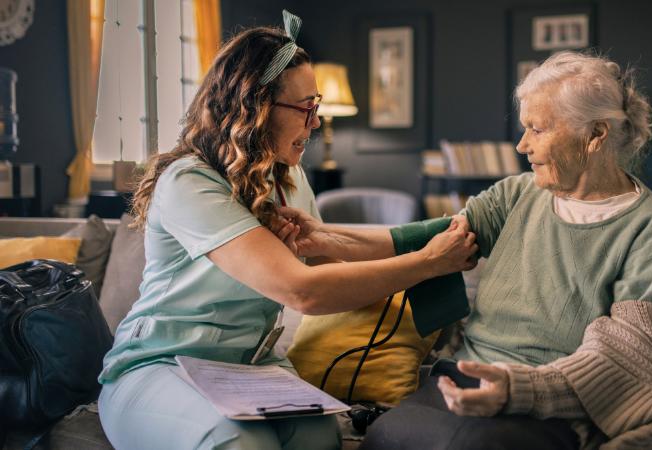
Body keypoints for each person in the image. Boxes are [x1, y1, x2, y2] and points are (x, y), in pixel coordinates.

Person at [96, 11, 477, 450]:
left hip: (252, 369)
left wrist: (428, 246)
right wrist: (427, 263)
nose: (315, 123)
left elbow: (325, 260)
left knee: (319, 441)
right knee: (237, 446)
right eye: (306, 108)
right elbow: (304, 292)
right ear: (254, 109)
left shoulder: (289, 179)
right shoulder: (189, 182)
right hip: (162, 365)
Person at [278, 51, 652, 449]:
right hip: (464, 377)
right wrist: (328, 237)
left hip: (557, 404)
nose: (522, 145)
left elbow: (624, 360)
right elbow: (429, 242)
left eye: (539, 129)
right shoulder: (517, 194)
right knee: (387, 437)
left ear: (595, 135)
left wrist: (516, 389)